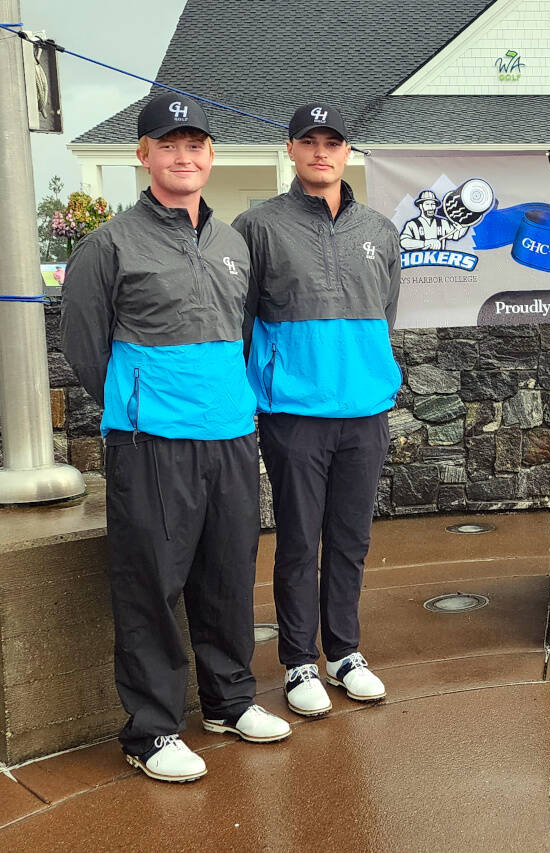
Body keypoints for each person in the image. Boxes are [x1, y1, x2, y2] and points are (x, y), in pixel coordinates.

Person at [62, 94, 291, 784]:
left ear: (211, 157)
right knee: (150, 585)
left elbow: (244, 331)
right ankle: (152, 729)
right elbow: (84, 348)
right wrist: (143, 404)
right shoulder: (108, 245)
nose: (182, 156)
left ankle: (228, 701)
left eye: (194, 144)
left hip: (228, 436)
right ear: (144, 155)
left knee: (225, 576)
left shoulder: (232, 243)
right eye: (168, 145)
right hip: (150, 439)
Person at [232, 103, 401, 718]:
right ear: (291, 150)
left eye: (333, 142)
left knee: (351, 539)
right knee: (301, 539)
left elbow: (386, 312)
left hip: (365, 409)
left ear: (349, 151)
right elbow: (241, 320)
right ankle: (299, 659)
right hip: (294, 411)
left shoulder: (380, 230)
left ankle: (344, 652)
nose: (322, 152)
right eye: (310, 141)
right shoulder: (257, 227)